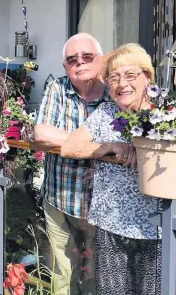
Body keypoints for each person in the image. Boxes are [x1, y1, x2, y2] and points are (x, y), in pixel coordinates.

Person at [60, 43, 163, 295]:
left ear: (147, 77)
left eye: (130, 75)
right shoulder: (106, 113)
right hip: (111, 226)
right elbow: (69, 147)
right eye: (114, 78)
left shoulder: (165, 114)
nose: (122, 84)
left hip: (156, 229)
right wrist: (108, 146)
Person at [35, 33, 109, 295]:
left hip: (100, 205)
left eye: (87, 56)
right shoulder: (58, 88)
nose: (80, 62)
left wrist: (68, 143)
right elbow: (42, 133)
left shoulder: (114, 93)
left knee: (95, 274)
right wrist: (97, 147)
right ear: (65, 66)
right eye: (72, 59)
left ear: (99, 59)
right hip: (59, 200)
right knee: (62, 272)